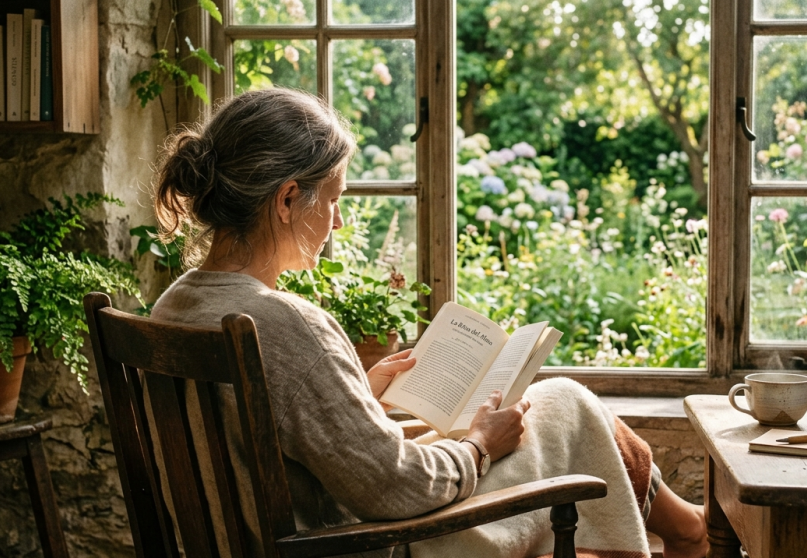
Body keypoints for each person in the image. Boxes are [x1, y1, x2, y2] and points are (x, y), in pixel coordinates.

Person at [149, 88, 707, 558]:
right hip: (372, 543)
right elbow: (395, 489)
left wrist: (355, 395)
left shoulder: (173, 306)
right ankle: (689, 531)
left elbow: (258, 429)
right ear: (289, 199)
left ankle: (687, 528)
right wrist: (480, 447)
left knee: (545, 412)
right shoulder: (285, 324)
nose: (338, 221)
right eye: (336, 199)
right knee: (562, 403)